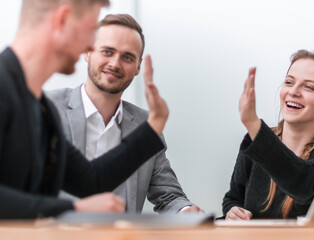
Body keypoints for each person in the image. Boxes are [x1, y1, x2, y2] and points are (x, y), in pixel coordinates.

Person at [0, 0, 169, 219]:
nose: (91, 46)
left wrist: (154, 124)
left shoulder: (42, 111)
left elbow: (91, 180)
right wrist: (73, 210)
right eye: (90, 31)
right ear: (61, 20)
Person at [46, 14, 202, 214]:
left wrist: (185, 211)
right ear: (87, 52)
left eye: (127, 57)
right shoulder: (48, 108)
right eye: (107, 51)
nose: (115, 64)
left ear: (138, 67)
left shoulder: (146, 125)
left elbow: (168, 196)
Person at [222, 50, 314, 219]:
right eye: (289, 82)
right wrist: (233, 210)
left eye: (308, 87)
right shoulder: (255, 142)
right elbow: (233, 198)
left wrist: (253, 124)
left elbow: (304, 184)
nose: (293, 92)